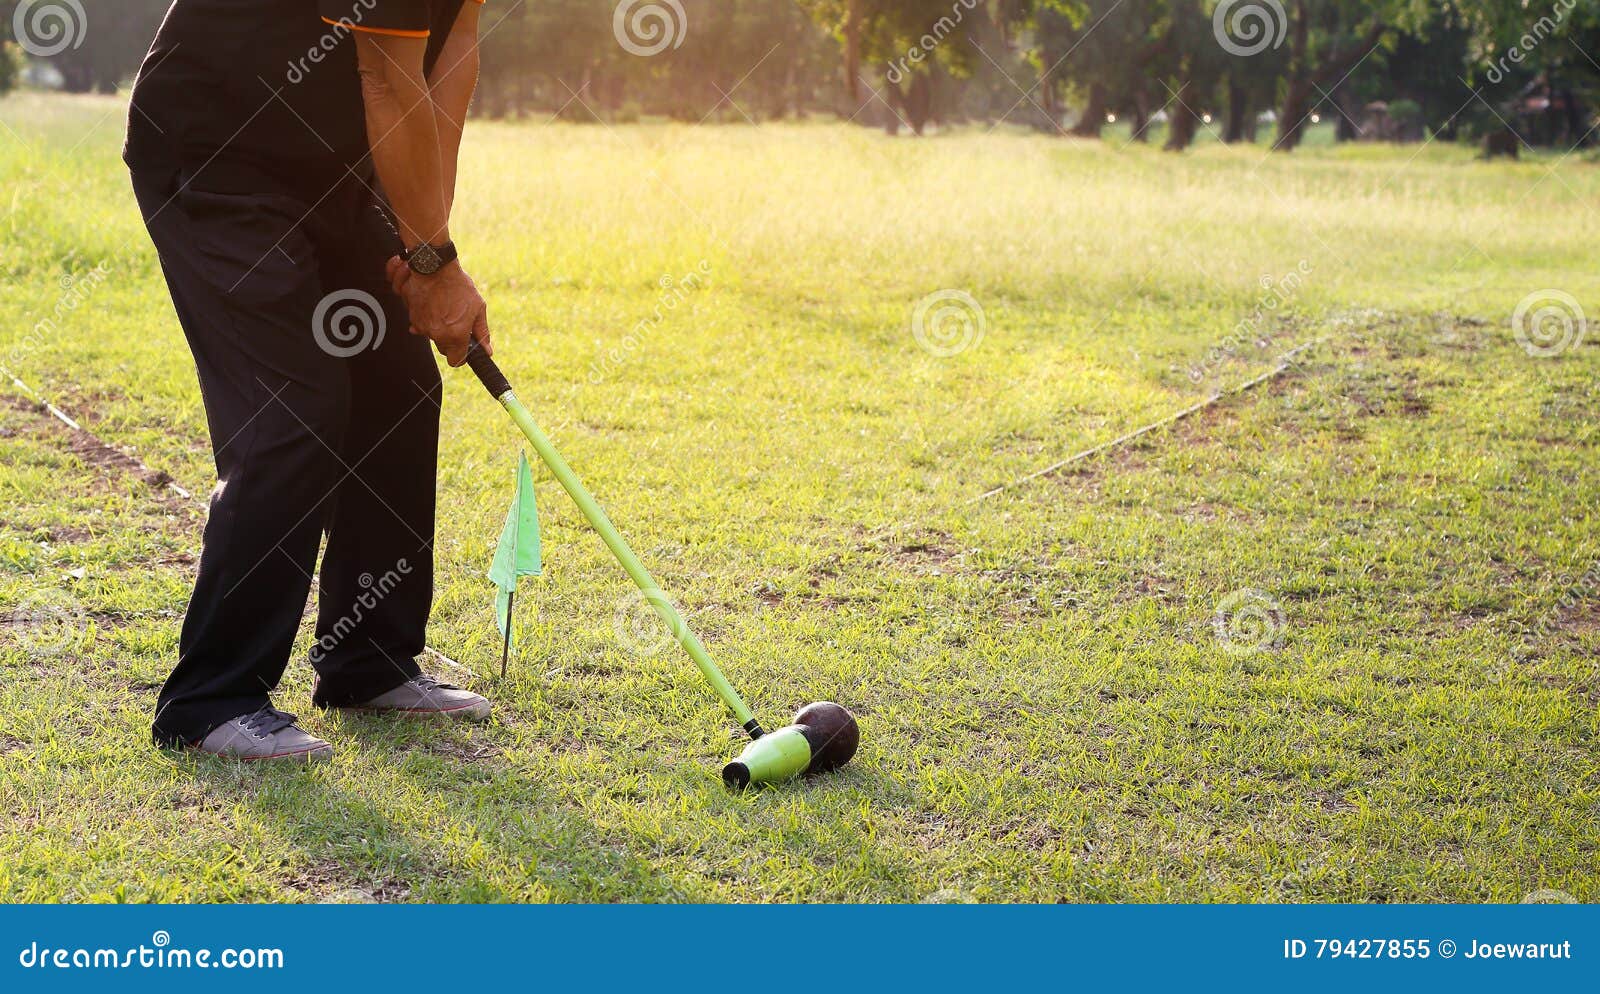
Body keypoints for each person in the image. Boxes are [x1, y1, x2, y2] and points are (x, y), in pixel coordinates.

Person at [123, 0, 495, 762]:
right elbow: (388, 80)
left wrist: (427, 248)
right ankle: (209, 701)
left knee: (396, 388)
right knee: (294, 402)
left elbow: (450, 58)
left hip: (330, 165)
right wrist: (432, 264)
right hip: (213, 154)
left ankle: (369, 663)